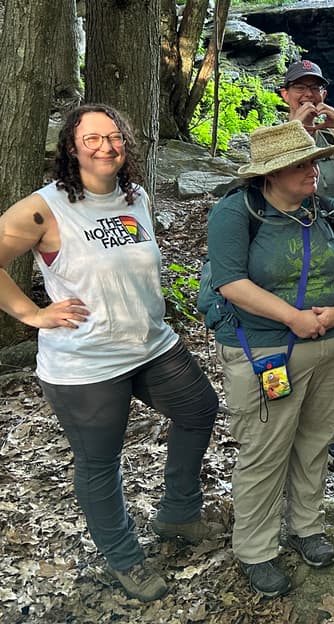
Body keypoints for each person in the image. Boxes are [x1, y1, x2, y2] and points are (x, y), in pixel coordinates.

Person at [0, 104, 220, 602]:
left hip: (150, 344)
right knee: (100, 461)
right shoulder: (44, 208)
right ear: (72, 147)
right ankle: (124, 557)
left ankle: (178, 515)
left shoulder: (134, 195)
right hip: (86, 361)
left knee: (199, 409)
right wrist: (33, 315)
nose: (105, 146)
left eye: (114, 137)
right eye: (93, 138)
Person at [206, 120, 334, 598]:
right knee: (265, 449)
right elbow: (230, 282)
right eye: (299, 165)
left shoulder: (327, 209)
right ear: (270, 174)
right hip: (266, 350)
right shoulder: (237, 213)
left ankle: (306, 526)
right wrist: (292, 318)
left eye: (314, 161)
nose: (312, 171)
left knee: (316, 440)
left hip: (329, 345)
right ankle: (255, 549)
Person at [279, 59, 334, 478]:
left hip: (327, 251)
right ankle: (286, 436)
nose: (308, 96)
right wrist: (298, 128)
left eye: (315, 89)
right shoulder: (272, 139)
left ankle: (330, 438)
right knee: (286, 350)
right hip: (281, 256)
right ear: (284, 94)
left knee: (332, 354)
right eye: (300, 88)